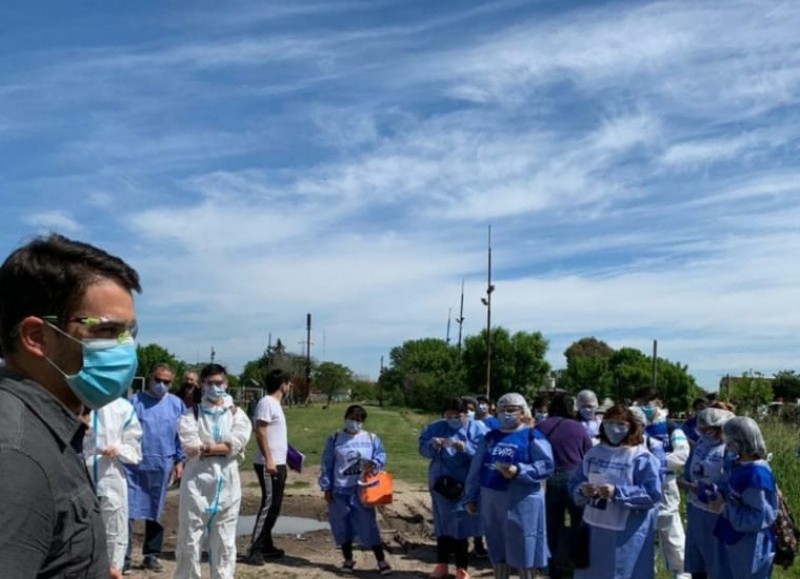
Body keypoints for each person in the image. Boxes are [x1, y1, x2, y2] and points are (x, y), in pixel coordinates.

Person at [0, 233, 141, 578]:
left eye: (130, 333)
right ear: (37, 337)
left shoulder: (50, 427)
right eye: (107, 331)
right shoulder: (17, 455)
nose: (125, 348)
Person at [175, 363, 252, 579]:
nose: (215, 387)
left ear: (226, 384)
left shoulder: (237, 414)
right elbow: (190, 446)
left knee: (225, 542)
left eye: (219, 383)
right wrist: (220, 448)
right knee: (190, 540)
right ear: (202, 384)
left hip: (227, 484)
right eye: (210, 383)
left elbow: (235, 444)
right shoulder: (191, 415)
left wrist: (206, 447)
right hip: (196, 484)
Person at [464, 392, 554, 579]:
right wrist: (470, 496)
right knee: (497, 544)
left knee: (524, 546)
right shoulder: (490, 437)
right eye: (503, 409)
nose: (506, 414)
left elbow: (546, 465)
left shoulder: (532, 436)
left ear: (523, 412)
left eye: (511, 410)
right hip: (492, 498)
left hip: (522, 500)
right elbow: (475, 469)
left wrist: (519, 471)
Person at [569, 404, 663, 579]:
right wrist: (582, 489)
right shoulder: (593, 453)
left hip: (625, 532)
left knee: (622, 572)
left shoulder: (641, 457)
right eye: (610, 423)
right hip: (592, 527)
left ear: (631, 427)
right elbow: (576, 481)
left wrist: (618, 493)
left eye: (621, 424)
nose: (614, 428)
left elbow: (652, 494)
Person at [125, 363, 186, 572]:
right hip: (134, 464)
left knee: (156, 510)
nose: (161, 385)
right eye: (158, 380)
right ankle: (123, 556)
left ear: (172, 383)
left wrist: (180, 461)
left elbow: (182, 436)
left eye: (166, 382)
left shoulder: (177, 405)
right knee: (128, 509)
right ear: (150, 379)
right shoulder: (135, 402)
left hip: (162, 463)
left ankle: (151, 554)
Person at [419, 397, 489, 579]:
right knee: (442, 524)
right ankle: (442, 565)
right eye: (448, 415)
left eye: (456, 415)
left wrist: (465, 448)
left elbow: (484, 455)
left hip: (464, 483)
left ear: (465, 413)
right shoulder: (435, 427)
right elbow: (422, 449)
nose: (452, 419)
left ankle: (462, 568)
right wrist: (432, 445)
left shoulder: (478, 428)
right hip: (441, 483)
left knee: (461, 526)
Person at [319, 404, 393, 575]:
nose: (355, 423)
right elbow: (327, 464)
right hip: (339, 489)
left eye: (359, 420)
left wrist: (374, 464)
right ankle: (348, 559)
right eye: (352, 419)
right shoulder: (335, 438)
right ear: (346, 418)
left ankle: (381, 561)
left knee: (369, 525)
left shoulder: (371, 438)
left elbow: (381, 455)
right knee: (341, 525)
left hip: (362, 489)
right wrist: (326, 488)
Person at [535, 393, 593, 579]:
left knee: (551, 525)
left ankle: (553, 568)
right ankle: (577, 564)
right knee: (580, 521)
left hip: (547, 478)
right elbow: (589, 454)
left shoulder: (541, 427)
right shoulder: (578, 428)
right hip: (574, 477)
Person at [635, 387, 691, 579]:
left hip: (666, 483)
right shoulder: (637, 426)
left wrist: (657, 463)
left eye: (646, 404)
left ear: (658, 403)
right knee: (645, 534)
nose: (643, 407)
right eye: (640, 404)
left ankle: (682, 572)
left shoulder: (671, 427)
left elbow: (682, 454)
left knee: (672, 533)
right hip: (641, 486)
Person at [714, 416, 778, 579]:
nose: (726, 446)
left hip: (750, 545)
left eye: (728, 442)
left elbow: (758, 518)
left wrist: (724, 508)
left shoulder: (756, 475)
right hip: (735, 539)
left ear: (738, 443)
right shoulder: (741, 465)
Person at [84, 397, 143, 573]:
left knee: (114, 529)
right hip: (78, 474)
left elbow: (135, 451)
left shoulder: (123, 408)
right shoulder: (75, 399)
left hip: (111, 476)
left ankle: (114, 570)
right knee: (80, 530)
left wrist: (118, 449)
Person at [678, 407, 735, 579]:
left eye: (707, 429)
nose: (703, 433)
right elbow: (690, 469)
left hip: (716, 513)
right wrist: (685, 482)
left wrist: (710, 490)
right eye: (701, 429)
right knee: (696, 559)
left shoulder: (729, 449)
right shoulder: (701, 443)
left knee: (717, 561)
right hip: (696, 509)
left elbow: (731, 482)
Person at [246, 368, 292, 564]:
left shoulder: (276, 404)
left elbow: (275, 435)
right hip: (269, 464)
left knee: (275, 505)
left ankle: (266, 544)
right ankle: (254, 548)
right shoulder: (266, 403)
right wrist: (269, 459)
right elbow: (260, 431)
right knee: (269, 505)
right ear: (283, 384)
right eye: (288, 383)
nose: (290, 387)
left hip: (279, 462)